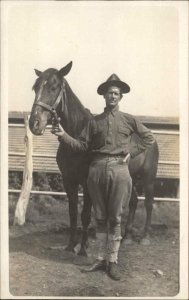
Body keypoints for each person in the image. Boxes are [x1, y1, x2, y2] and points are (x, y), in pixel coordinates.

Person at [51, 74, 155, 280]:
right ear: (104, 96)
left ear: (121, 97)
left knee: (115, 217)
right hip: (97, 169)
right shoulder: (94, 122)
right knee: (99, 217)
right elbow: (81, 145)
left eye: (116, 93)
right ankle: (100, 258)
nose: (112, 96)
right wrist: (63, 135)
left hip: (119, 169)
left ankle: (113, 261)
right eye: (109, 93)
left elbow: (149, 137)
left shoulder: (128, 119)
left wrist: (132, 152)